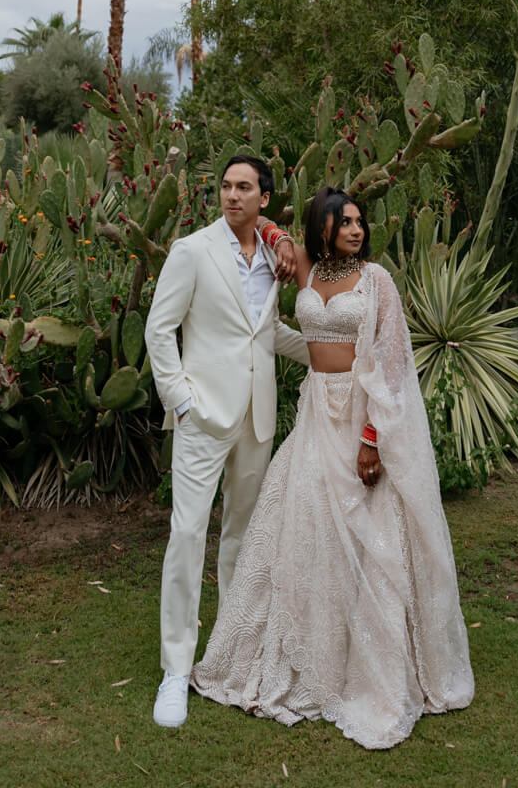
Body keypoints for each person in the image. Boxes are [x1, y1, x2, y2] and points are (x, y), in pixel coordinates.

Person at [189, 186, 475, 750]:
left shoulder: (375, 280)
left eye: (359, 221)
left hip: (360, 415)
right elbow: (261, 220)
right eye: (343, 221)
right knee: (301, 530)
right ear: (321, 226)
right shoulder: (305, 270)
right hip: (316, 412)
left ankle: (372, 664)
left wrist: (372, 439)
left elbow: (391, 363)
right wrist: (280, 238)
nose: (355, 229)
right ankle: (299, 655)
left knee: (370, 535)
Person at [144, 155, 309, 729]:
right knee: (187, 535)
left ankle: (231, 654)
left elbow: (267, 332)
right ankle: (175, 670)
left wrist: (329, 354)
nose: (232, 195)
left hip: (256, 418)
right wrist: (181, 401)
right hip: (202, 418)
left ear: (265, 199)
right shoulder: (192, 251)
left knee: (242, 536)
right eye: (225, 186)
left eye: (244, 188)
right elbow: (159, 329)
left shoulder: (273, 257)